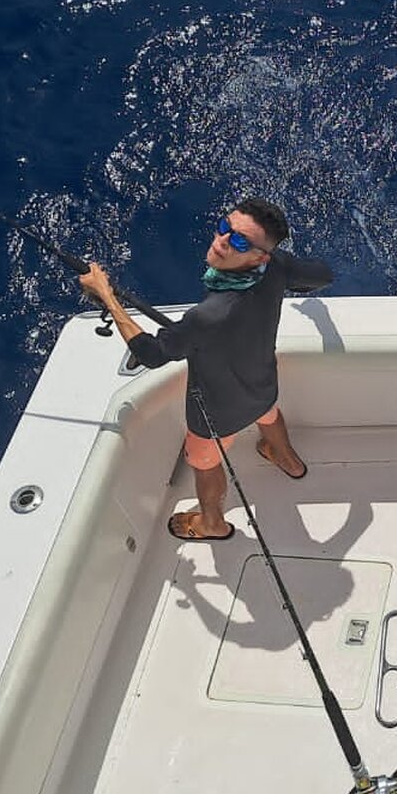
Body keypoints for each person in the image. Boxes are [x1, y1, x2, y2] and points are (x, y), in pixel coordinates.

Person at [78, 198, 333, 541]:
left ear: (259, 257)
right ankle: (288, 460)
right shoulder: (277, 266)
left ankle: (212, 523)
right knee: (268, 414)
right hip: (263, 387)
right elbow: (323, 276)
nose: (222, 240)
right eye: (225, 227)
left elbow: (150, 353)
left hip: (215, 415)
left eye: (240, 241)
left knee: (204, 462)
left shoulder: (206, 316)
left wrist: (106, 295)